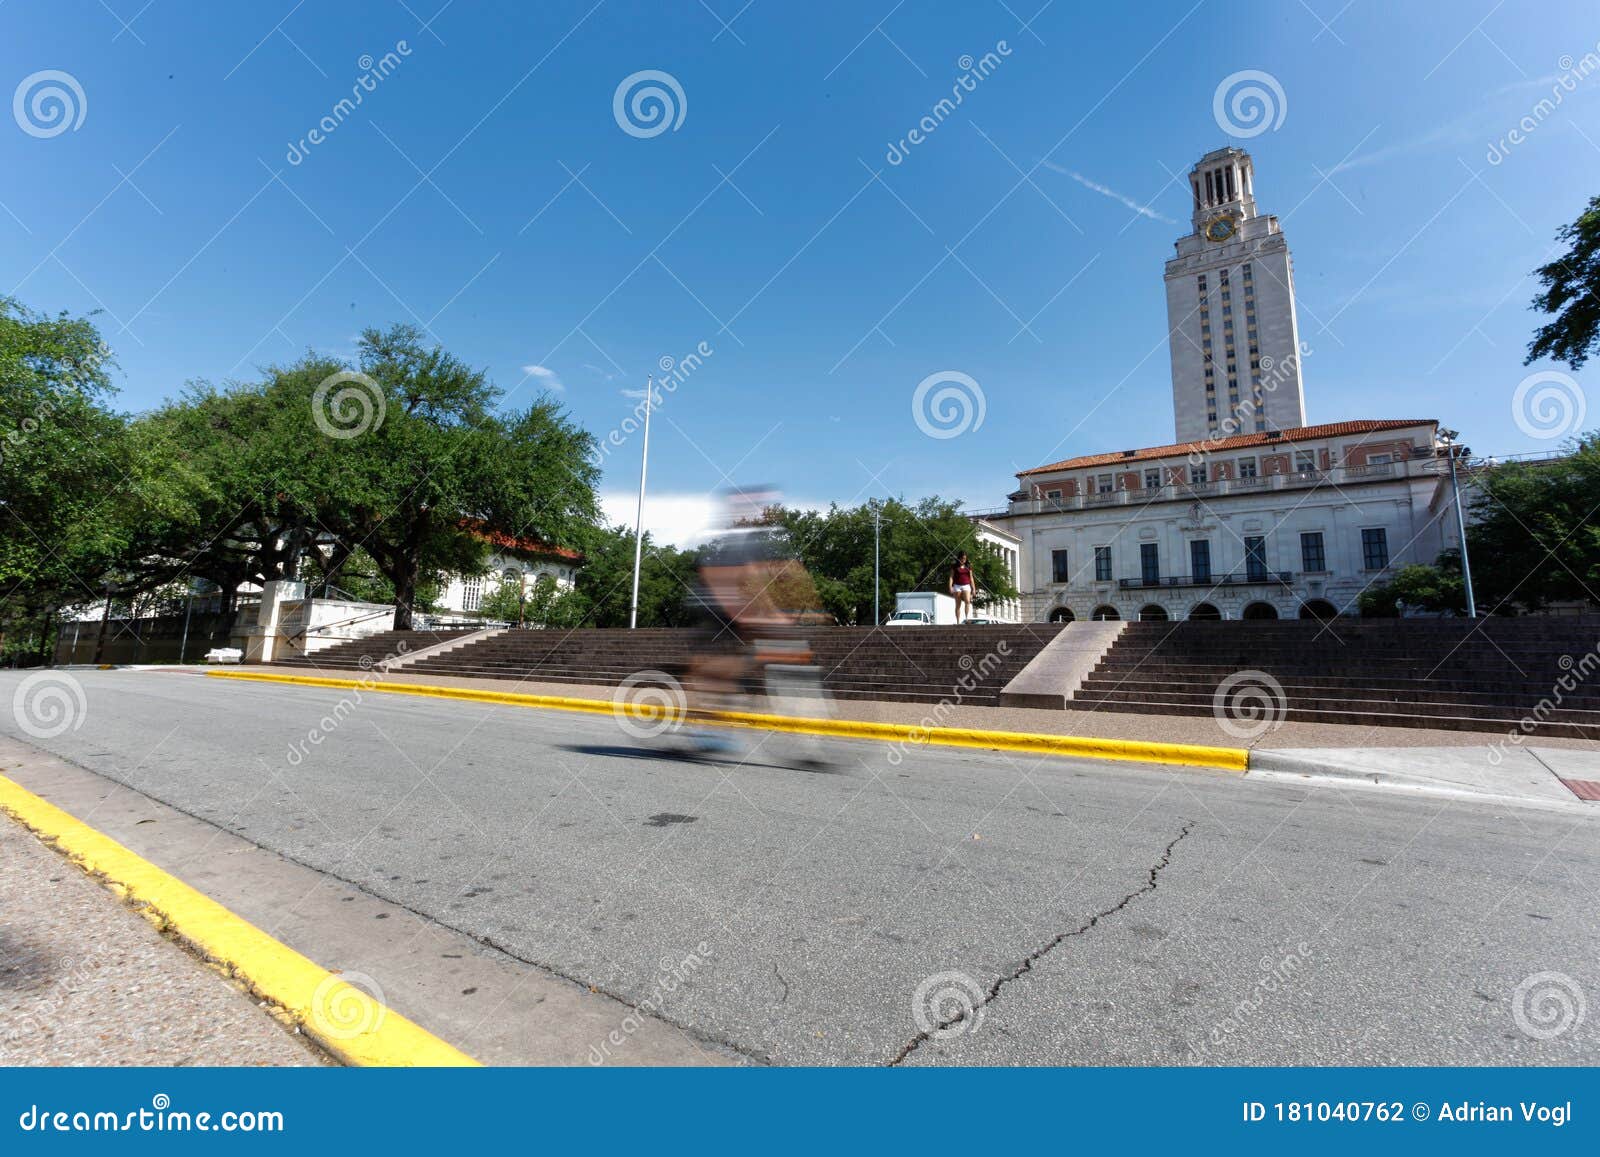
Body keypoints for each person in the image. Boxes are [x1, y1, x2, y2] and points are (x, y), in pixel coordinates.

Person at [681, 487, 828, 761]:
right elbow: (716, 578)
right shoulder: (725, 540)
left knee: (745, 663)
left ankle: (720, 717)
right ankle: (701, 727)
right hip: (709, 608)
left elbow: (761, 583)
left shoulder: (752, 542)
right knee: (720, 669)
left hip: (733, 610)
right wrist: (752, 612)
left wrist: (781, 614)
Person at [949, 551, 975, 625]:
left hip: (966, 585)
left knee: (967, 601)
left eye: (965, 559)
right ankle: (958, 621)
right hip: (957, 586)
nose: (963, 560)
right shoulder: (954, 566)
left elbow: (971, 578)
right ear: (959, 558)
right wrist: (950, 586)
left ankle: (966, 618)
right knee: (958, 604)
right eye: (962, 558)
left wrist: (973, 588)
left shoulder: (968, 566)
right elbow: (951, 577)